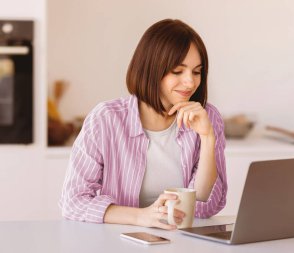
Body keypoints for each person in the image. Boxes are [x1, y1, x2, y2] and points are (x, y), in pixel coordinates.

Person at [59, 19, 227, 230]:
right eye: (177, 71)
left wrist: (207, 138)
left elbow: (205, 206)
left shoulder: (207, 118)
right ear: (151, 69)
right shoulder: (105, 119)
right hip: (117, 241)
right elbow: (73, 201)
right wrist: (141, 217)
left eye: (196, 72)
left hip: (183, 243)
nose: (190, 82)